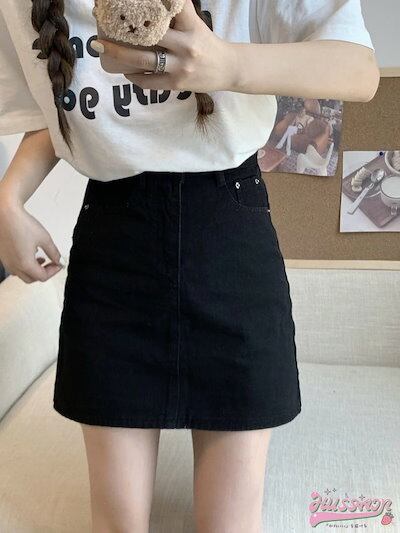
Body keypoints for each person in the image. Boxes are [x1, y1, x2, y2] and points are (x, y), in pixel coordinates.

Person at [0, 0, 378, 531]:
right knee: (116, 522)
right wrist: (8, 200)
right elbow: (58, 107)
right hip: (113, 241)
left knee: (228, 524)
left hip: (228, 230)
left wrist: (228, 64)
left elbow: (359, 69)